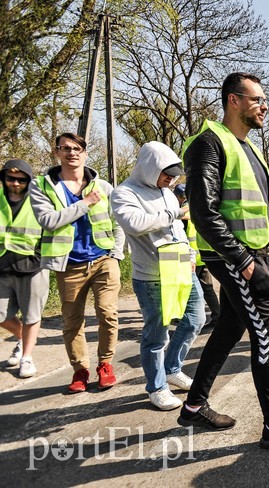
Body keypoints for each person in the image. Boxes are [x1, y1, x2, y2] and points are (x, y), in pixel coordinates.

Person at [180, 72, 269, 453]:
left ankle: (193, 406)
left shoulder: (249, 148)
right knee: (268, 332)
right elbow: (203, 213)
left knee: (229, 327)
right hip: (233, 255)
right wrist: (244, 263)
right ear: (233, 100)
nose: (265, 106)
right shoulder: (208, 143)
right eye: (257, 99)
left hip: (255, 254)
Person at [111, 142, 204, 410]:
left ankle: (172, 368)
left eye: (174, 176)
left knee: (195, 320)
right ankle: (157, 387)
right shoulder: (124, 193)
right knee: (156, 335)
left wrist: (190, 255)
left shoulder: (168, 193)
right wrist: (176, 212)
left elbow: (177, 231)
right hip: (151, 275)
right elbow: (135, 224)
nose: (171, 180)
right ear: (150, 168)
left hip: (181, 270)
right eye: (167, 174)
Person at [30, 132, 125, 393]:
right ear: (57, 153)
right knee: (72, 321)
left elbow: (118, 222)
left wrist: (116, 254)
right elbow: (48, 221)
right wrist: (84, 203)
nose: (72, 153)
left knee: (108, 313)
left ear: (85, 153)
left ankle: (105, 365)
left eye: (77, 148)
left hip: (104, 260)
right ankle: (80, 370)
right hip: (69, 264)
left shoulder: (103, 187)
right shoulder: (42, 186)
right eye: (65, 148)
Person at [0, 159, 49, 378]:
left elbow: (50, 228)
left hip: (33, 267)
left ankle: (27, 357)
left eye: (21, 180)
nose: (16, 183)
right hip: (2, 266)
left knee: (31, 315)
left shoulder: (38, 200)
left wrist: (41, 257)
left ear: (29, 181)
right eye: (11, 178)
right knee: (1, 314)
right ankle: (22, 338)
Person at [175, 183, 220, 330]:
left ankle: (186, 316)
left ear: (178, 197)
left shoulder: (184, 212)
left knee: (186, 287)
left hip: (189, 257)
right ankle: (217, 315)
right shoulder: (199, 206)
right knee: (207, 287)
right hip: (202, 253)